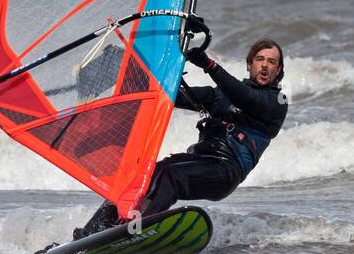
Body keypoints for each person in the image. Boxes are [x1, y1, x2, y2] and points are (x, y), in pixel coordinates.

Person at [73, 30, 288, 239]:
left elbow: (246, 97)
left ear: (278, 70)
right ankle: (90, 234)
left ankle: (133, 233)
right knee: (143, 176)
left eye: (272, 62)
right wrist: (140, 70)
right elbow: (171, 96)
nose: (265, 65)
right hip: (200, 160)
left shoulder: (277, 103)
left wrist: (210, 65)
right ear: (250, 64)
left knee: (171, 177)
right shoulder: (219, 95)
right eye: (260, 59)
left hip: (225, 170)